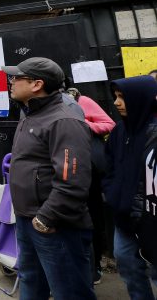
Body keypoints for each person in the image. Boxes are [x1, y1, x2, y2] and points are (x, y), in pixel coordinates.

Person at [1, 57, 94, 299]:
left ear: (36, 84)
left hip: (53, 224)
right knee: (31, 280)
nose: (11, 82)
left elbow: (73, 180)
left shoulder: (64, 120)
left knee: (69, 290)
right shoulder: (30, 113)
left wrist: (45, 218)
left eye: (17, 77)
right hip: (27, 218)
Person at [103, 75, 157, 299]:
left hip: (152, 219)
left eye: (122, 97)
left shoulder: (154, 133)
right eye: (115, 97)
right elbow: (109, 165)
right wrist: (112, 191)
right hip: (124, 218)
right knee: (128, 266)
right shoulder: (119, 131)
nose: (116, 103)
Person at [67, 87, 116, 284]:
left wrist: (82, 124)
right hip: (65, 170)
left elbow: (109, 124)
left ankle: (94, 268)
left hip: (89, 171)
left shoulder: (82, 101)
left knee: (92, 219)